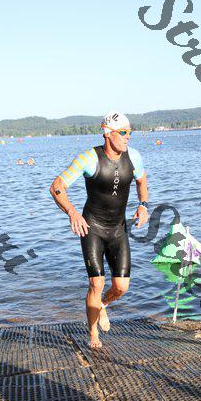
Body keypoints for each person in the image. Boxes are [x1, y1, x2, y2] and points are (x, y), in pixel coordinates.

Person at [50, 111, 149, 349]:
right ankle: (93, 333)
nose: (127, 137)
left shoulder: (134, 157)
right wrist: (72, 213)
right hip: (92, 227)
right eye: (123, 132)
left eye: (129, 132)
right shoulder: (88, 158)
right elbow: (57, 187)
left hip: (118, 229)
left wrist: (143, 205)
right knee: (96, 283)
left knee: (121, 286)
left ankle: (102, 305)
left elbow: (142, 181)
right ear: (108, 133)